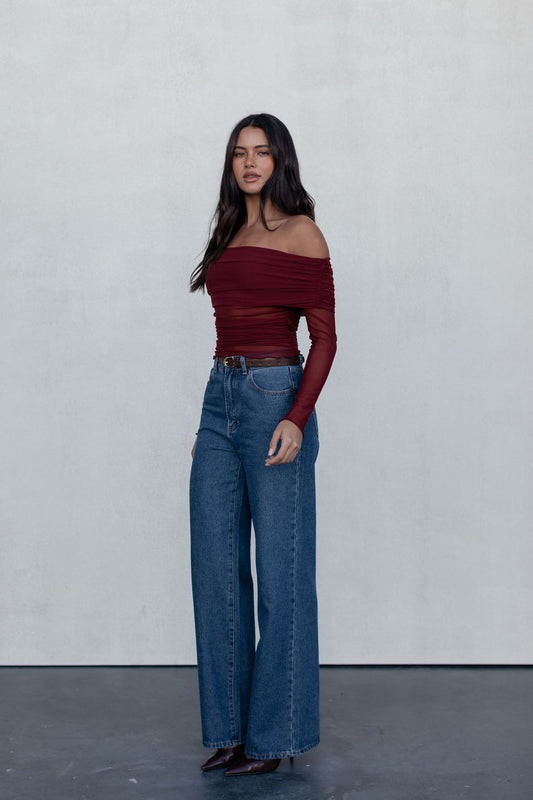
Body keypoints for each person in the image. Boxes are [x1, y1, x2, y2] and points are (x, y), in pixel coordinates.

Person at [188, 113, 337, 777]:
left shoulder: (302, 233)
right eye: (239, 153)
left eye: (261, 152)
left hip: (275, 398)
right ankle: (229, 730)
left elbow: (324, 338)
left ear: (280, 161)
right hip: (219, 400)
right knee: (216, 570)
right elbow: (227, 334)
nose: (249, 163)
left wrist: (297, 417)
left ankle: (273, 740)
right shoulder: (229, 230)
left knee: (281, 576)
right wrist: (210, 427)